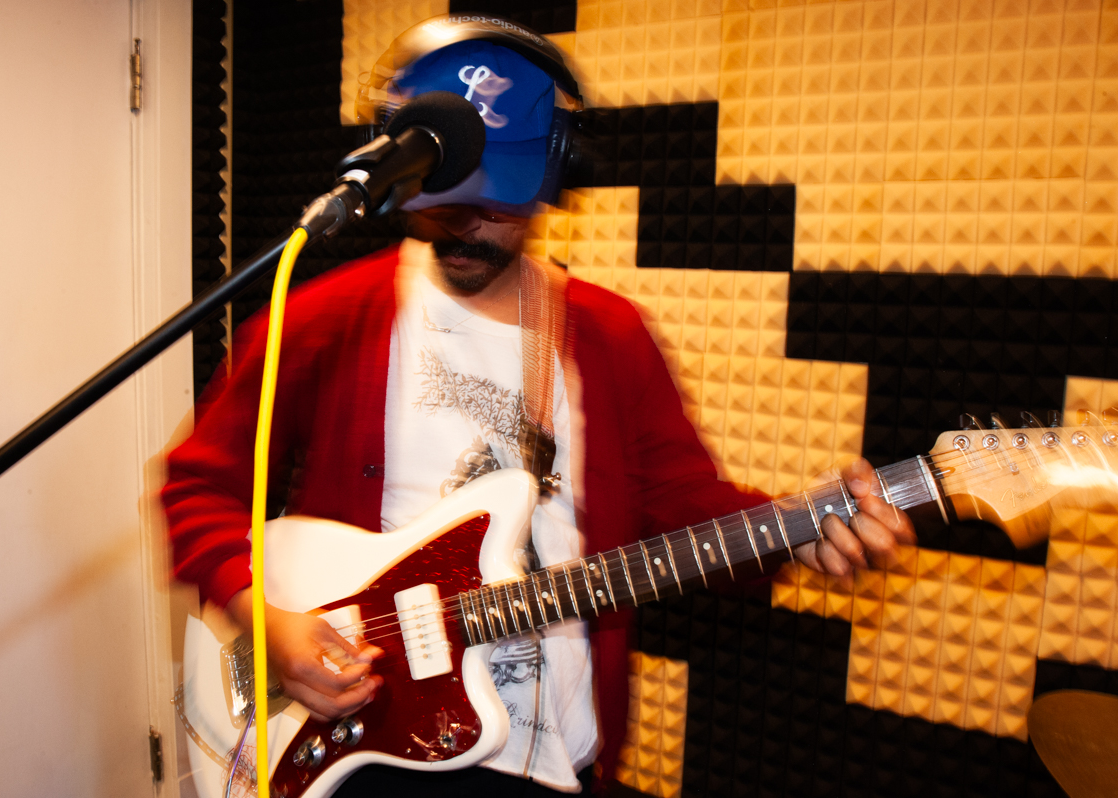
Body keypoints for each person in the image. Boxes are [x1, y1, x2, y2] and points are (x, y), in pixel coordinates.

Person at [161, 15, 916, 797]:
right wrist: (264, 620)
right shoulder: (324, 321)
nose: (467, 224)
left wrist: (793, 533)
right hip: (371, 751)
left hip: (556, 761)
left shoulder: (610, 336)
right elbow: (195, 487)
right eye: (445, 198)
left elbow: (682, 506)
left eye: (499, 202)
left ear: (557, 176)